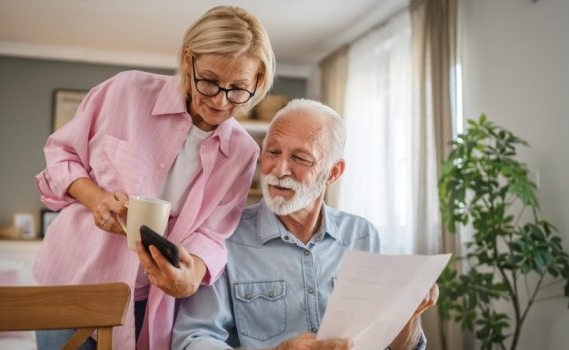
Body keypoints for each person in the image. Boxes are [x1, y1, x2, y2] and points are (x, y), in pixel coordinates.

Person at [32, 6, 275, 350]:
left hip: (152, 304)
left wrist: (191, 278)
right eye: (209, 81)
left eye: (238, 89)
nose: (220, 101)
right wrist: (96, 198)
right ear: (188, 60)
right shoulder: (126, 91)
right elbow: (60, 156)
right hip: (73, 286)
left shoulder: (242, 152)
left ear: (258, 82)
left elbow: (213, 234)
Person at [172, 99, 438, 350]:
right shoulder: (224, 237)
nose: (279, 169)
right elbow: (193, 341)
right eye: (273, 152)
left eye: (300, 158)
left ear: (333, 172)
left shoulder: (362, 235)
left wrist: (409, 315)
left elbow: (396, 344)